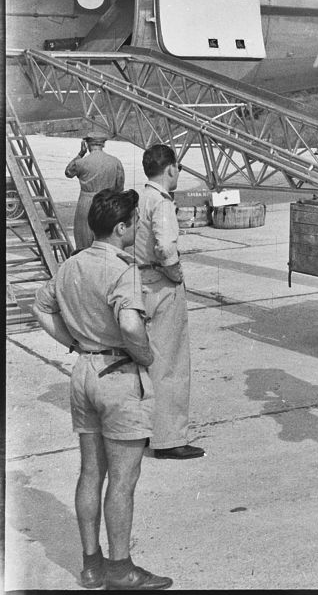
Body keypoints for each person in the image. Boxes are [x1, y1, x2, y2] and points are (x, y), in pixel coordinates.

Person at [32, 189, 173, 591]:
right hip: (118, 374)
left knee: (91, 473)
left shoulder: (71, 265)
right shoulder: (122, 270)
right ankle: (121, 568)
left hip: (84, 373)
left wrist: (74, 342)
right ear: (121, 228)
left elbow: (40, 307)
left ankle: (91, 565)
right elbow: (130, 326)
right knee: (123, 481)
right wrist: (144, 356)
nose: (137, 227)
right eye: (133, 222)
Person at [133, 144, 204, 460]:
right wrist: (175, 274)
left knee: (149, 362)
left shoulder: (141, 199)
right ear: (171, 169)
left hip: (142, 285)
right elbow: (164, 248)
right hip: (162, 287)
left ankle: (151, 431)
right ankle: (170, 439)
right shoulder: (161, 203)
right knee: (171, 363)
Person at [65, 132, 125, 252]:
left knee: (84, 241)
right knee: (107, 240)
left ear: (87, 144)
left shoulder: (81, 162)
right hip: (108, 203)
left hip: (86, 203)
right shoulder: (115, 161)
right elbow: (120, 186)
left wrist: (80, 154)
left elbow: (68, 172)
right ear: (103, 144)